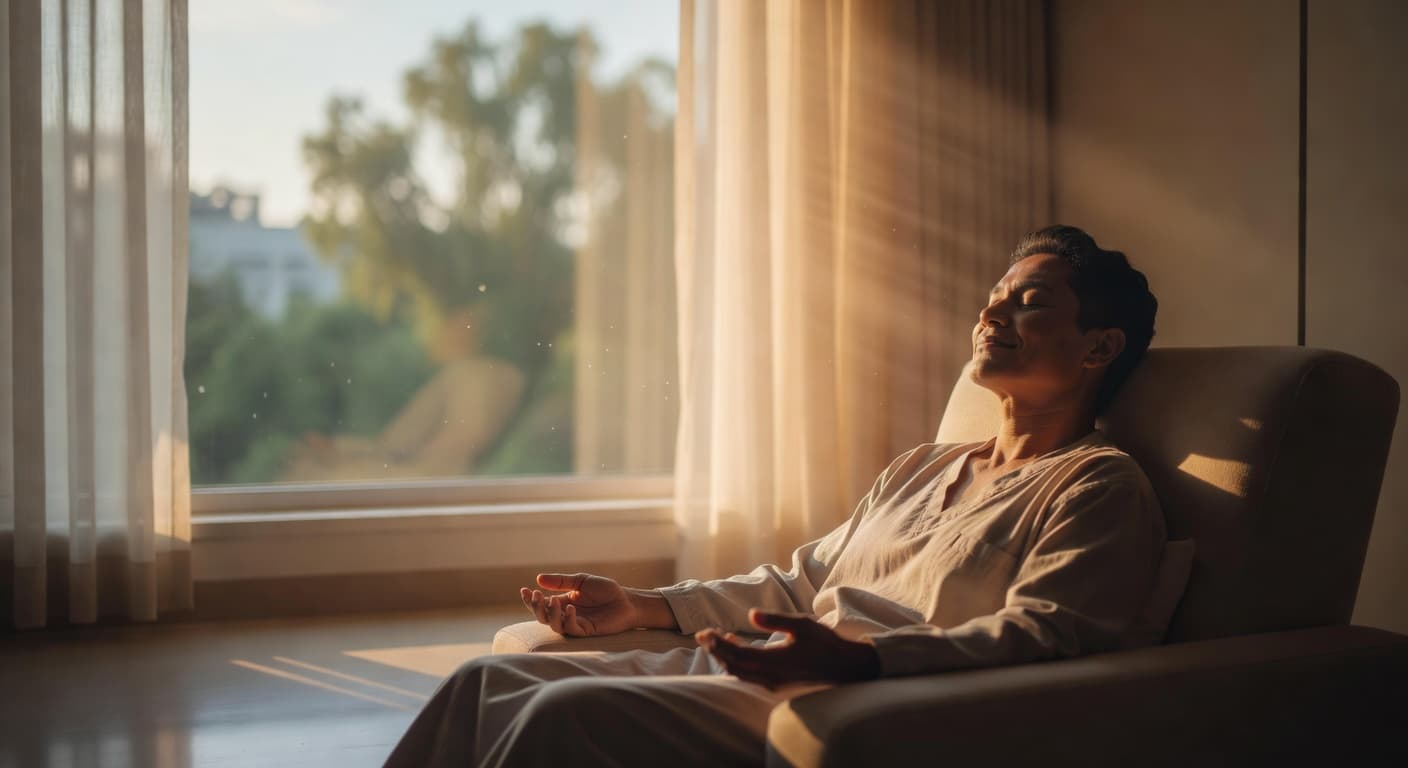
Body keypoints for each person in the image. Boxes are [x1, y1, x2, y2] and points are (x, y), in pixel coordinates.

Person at [384, 225, 1165, 767]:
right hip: (756, 669)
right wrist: (644, 605)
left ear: (1099, 346)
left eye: (1031, 301)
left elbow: (1048, 633)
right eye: (995, 294)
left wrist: (864, 658)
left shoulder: (1098, 485)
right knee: (480, 682)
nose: (993, 310)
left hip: (835, 695)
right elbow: (798, 583)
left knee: (559, 719)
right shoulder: (924, 467)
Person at [282, 304, 524, 482]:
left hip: (424, 484)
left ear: (473, 334)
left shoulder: (480, 377)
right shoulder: (461, 375)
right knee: (306, 468)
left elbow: (446, 460)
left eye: (459, 322)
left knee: (306, 481)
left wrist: (350, 462)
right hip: (414, 475)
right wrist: (338, 449)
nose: (442, 328)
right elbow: (395, 446)